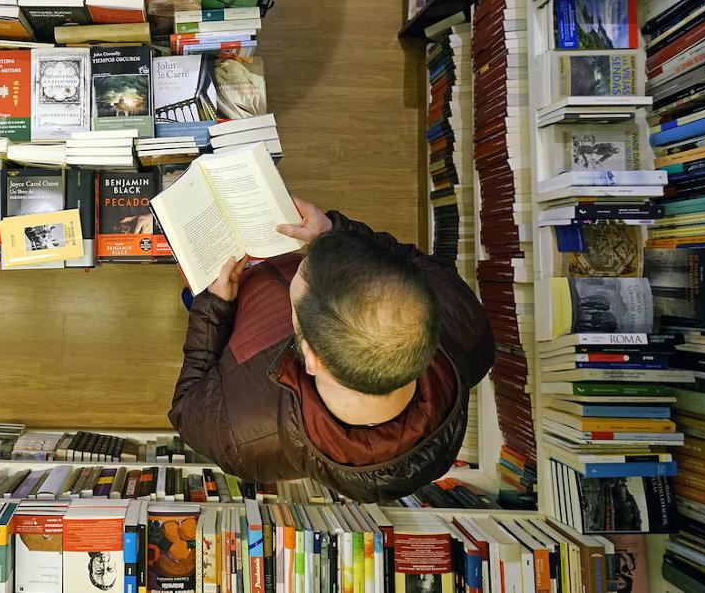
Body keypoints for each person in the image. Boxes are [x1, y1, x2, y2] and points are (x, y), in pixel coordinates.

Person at [168, 197, 494, 503]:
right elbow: (405, 259)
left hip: (234, 310)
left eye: (292, 310)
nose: (296, 262)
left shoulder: (237, 436)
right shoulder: (468, 327)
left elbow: (188, 402)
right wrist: (331, 232)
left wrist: (213, 306)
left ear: (310, 357)